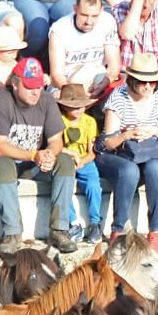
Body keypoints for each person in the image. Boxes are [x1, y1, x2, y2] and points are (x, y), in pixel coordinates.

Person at [0, 57, 77, 255]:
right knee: (2, 164)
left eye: (38, 86)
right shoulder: (2, 101)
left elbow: (56, 140)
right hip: (12, 161)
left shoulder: (46, 100)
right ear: (14, 84)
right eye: (29, 87)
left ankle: (59, 229)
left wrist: (49, 154)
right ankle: (12, 233)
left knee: (65, 161)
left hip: (36, 162)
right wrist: (33, 154)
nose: (36, 91)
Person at [96, 53, 158, 253]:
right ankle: (118, 229)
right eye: (143, 82)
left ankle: (155, 230)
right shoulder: (119, 97)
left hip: (148, 151)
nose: (148, 87)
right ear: (133, 80)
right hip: (118, 154)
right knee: (129, 171)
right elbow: (107, 143)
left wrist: (152, 131)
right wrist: (128, 134)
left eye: (152, 82)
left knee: (155, 167)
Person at [48, 0, 121, 98]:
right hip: (67, 82)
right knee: (56, 95)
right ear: (75, 9)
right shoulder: (59, 30)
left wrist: (106, 82)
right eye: (84, 15)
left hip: (98, 78)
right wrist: (76, 93)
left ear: (101, 11)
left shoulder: (108, 22)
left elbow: (114, 66)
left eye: (95, 16)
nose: (89, 21)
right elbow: (57, 75)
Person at [55, 84, 102, 243]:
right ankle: (73, 222)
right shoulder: (59, 120)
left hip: (85, 160)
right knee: (63, 185)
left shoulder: (90, 122)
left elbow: (91, 152)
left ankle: (95, 222)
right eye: (74, 107)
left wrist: (81, 161)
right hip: (65, 158)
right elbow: (57, 146)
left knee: (93, 185)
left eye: (81, 106)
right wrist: (71, 154)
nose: (79, 110)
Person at [0, 26, 27, 90]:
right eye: (9, 53)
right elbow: (2, 89)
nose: (14, 56)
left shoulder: (9, 59)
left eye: (16, 52)